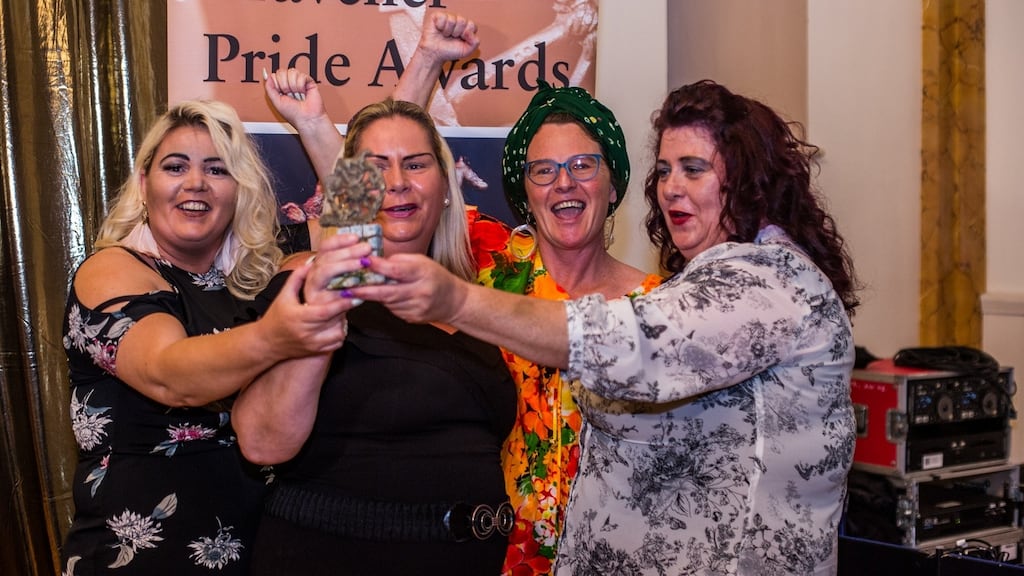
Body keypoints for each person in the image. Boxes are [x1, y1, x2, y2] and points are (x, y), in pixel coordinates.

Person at [347, 79, 861, 575]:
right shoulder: (491, 266)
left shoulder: (714, 293)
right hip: (490, 552)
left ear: (613, 181)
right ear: (522, 189)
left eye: (694, 169)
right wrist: (381, 101)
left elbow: (626, 346)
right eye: (664, 171)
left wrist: (458, 300)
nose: (672, 188)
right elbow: (388, 194)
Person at [59, 100, 352, 575]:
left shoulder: (258, 265)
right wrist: (276, 336)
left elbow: (365, 231)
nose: (195, 182)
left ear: (239, 191)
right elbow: (173, 376)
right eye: (175, 166)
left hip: (266, 549)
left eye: (217, 170)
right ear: (143, 184)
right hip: (143, 557)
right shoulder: (112, 269)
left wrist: (315, 123)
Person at [231, 97, 517, 575]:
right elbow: (262, 441)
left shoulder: (468, 299)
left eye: (416, 163)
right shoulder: (308, 281)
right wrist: (331, 301)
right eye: (375, 167)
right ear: (349, 193)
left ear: (446, 186)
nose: (397, 181)